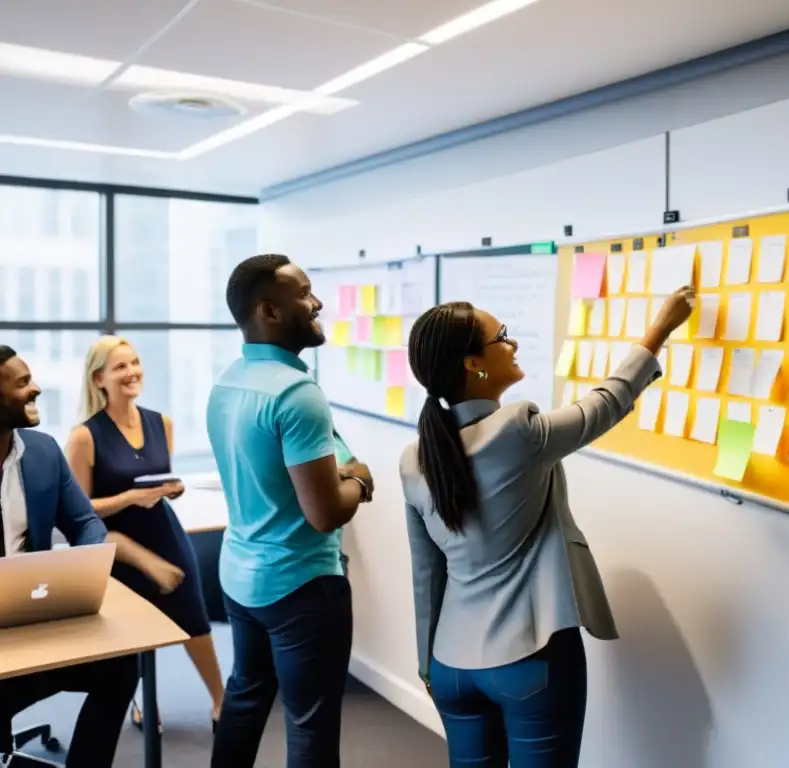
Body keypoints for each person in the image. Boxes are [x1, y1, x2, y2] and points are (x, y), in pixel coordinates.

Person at [400, 287, 695, 767]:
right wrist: (659, 328)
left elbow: (425, 573)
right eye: (503, 337)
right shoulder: (516, 430)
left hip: (451, 665)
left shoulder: (415, 457)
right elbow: (605, 403)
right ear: (474, 363)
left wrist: (427, 663)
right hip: (529, 660)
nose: (513, 346)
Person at [207, 254, 374, 768]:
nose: (316, 301)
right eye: (303, 293)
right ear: (269, 310)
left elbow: (302, 460)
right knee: (310, 725)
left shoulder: (228, 381)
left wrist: (338, 468)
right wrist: (362, 482)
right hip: (301, 587)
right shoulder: (298, 393)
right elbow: (325, 513)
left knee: (245, 697)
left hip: (240, 577)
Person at [65, 336, 225, 733]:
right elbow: (76, 509)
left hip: (164, 531)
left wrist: (170, 489)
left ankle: (223, 701)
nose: (132, 372)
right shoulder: (84, 436)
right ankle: (144, 701)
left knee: (193, 617)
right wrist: (129, 498)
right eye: (120, 367)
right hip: (115, 543)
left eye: (135, 363)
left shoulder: (161, 423)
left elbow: (158, 480)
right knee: (134, 630)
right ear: (99, 378)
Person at [0, 346, 141, 768]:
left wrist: (85, 565)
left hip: (34, 629)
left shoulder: (42, 452)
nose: (36, 388)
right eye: (22, 382)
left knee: (120, 668)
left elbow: (85, 523)